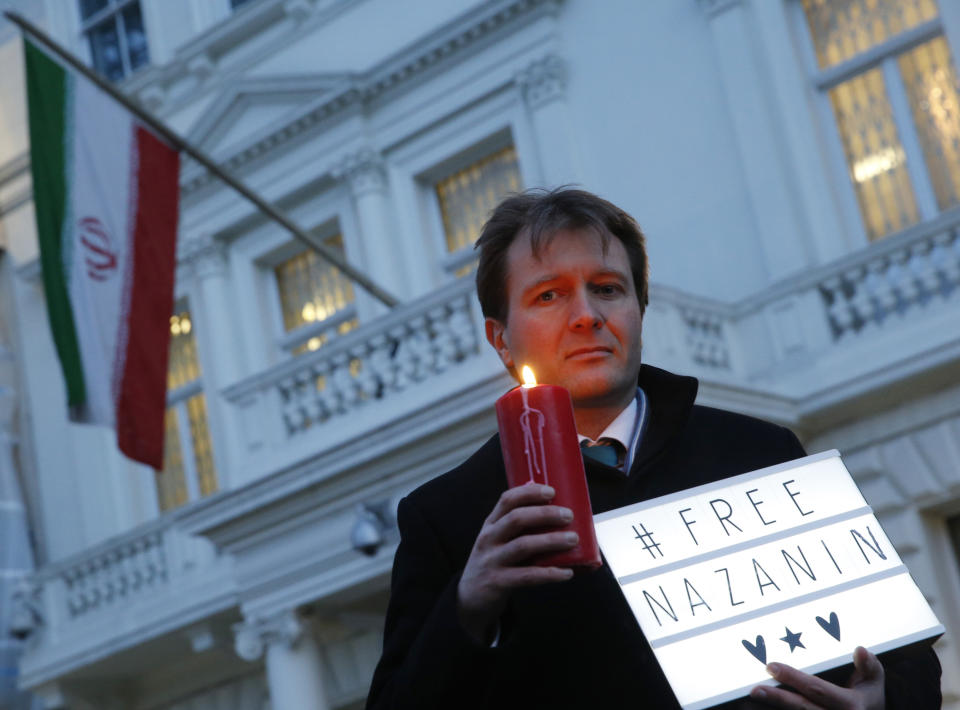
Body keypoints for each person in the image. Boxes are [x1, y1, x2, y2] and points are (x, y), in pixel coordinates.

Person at [366, 189, 941, 709]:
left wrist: (883, 701)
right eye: (549, 295)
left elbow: (908, 659)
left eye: (607, 289)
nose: (587, 315)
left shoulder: (762, 451)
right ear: (501, 339)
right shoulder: (448, 518)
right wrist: (467, 609)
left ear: (639, 309)